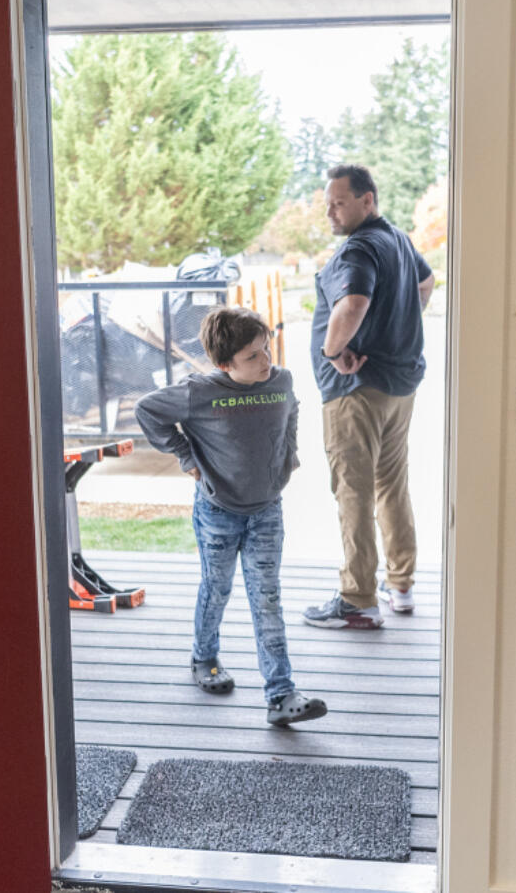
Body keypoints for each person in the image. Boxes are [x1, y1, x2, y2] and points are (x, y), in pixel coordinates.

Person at [134, 306, 328, 725]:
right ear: (224, 364)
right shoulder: (198, 393)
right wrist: (187, 455)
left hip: (266, 512)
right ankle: (204, 657)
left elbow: (292, 410)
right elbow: (147, 411)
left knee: (267, 597)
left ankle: (280, 694)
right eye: (252, 357)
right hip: (218, 512)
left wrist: (288, 452)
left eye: (266, 349)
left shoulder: (280, 382)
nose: (266, 361)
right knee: (217, 588)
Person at [302, 164, 435, 630]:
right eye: (328, 205)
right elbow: (425, 282)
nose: (331, 213)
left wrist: (332, 350)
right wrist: (400, 322)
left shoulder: (358, 247)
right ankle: (400, 586)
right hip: (398, 387)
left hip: (356, 391)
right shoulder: (396, 239)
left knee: (352, 491)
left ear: (367, 200)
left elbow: (353, 303)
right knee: (391, 485)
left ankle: (357, 597)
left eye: (339, 203)